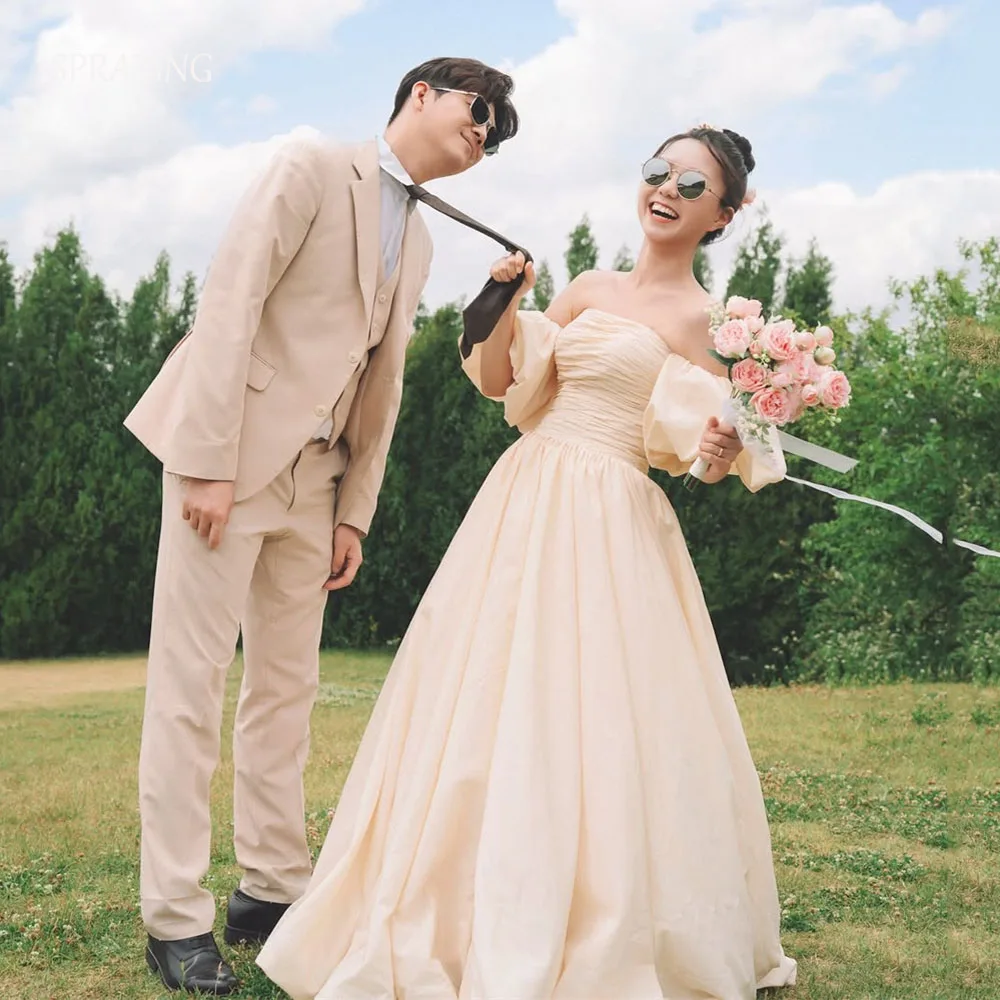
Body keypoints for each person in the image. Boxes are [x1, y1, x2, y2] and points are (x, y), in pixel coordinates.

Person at [256, 124, 798, 999]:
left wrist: (725, 435)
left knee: (594, 712)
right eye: (657, 171)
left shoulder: (710, 325)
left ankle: (592, 914)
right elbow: (513, 380)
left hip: (616, 515)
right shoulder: (588, 287)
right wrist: (504, 301)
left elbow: (701, 461)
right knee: (479, 695)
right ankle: (449, 897)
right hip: (522, 498)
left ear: (724, 216)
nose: (664, 190)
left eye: (691, 186)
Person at [122, 57, 520, 995]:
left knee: (285, 694)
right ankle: (173, 920)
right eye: (480, 111)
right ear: (421, 93)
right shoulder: (308, 167)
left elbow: (385, 383)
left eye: (497, 134)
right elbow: (229, 306)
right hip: (226, 463)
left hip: (318, 486)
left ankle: (270, 888)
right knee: (190, 692)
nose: (485, 133)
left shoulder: (421, 240)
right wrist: (212, 462)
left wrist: (355, 512)